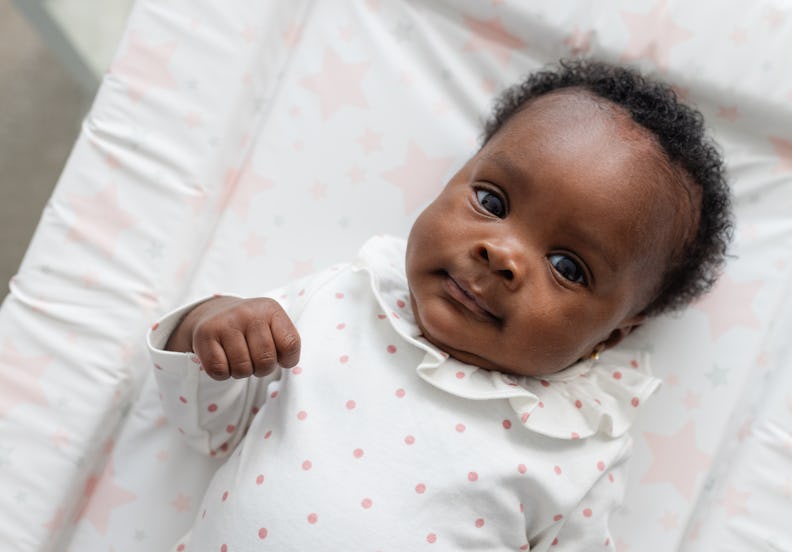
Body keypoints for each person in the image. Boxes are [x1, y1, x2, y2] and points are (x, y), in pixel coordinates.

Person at [148, 59, 732, 550]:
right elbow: (208, 427)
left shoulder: (576, 457)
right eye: (491, 200)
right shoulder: (341, 305)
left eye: (568, 267)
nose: (503, 255)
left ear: (610, 337)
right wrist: (210, 328)